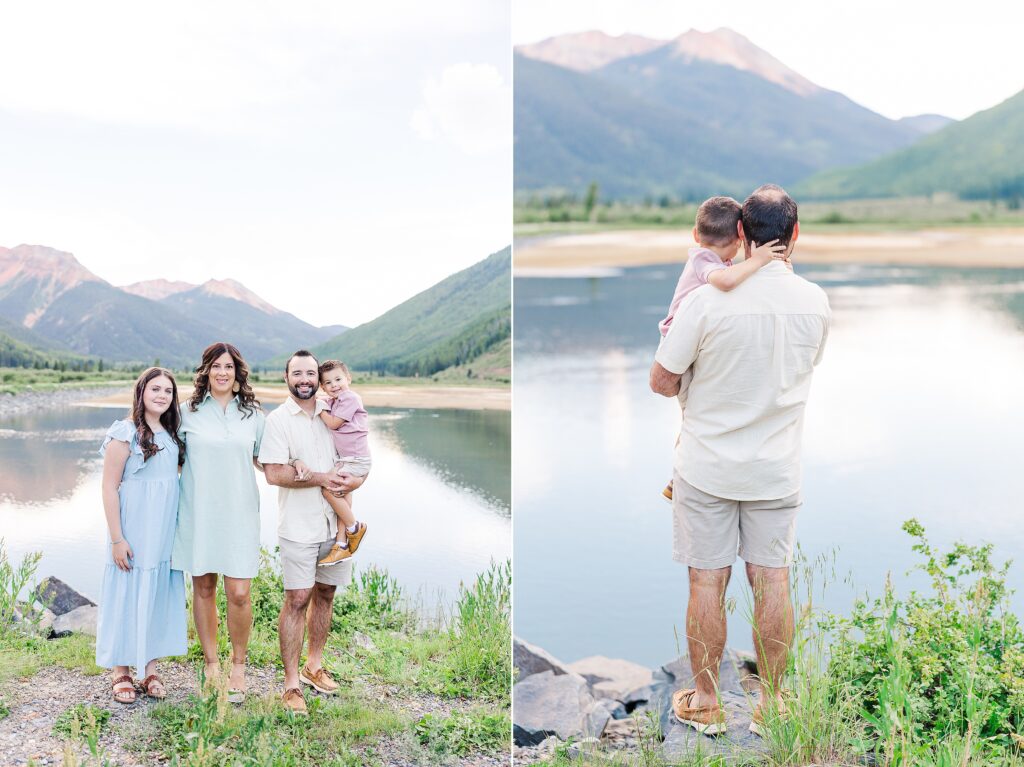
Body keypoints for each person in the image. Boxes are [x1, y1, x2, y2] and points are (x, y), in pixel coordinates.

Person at [650, 184, 831, 737]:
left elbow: (661, 381)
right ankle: (773, 705)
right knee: (772, 581)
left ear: (744, 237)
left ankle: (706, 701)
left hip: (705, 468)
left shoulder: (706, 300)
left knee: (707, 583)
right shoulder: (816, 302)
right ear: (795, 235)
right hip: (776, 468)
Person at [657, 196, 787, 503]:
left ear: (695, 232)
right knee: (693, 418)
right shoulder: (702, 259)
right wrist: (759, 259)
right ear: (741, 235)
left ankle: (679, 477)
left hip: (692, 342)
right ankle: (679, 478)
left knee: (694, 414)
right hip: (677, 344)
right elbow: (727, 283)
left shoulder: (714, 260)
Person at [258, 350, 366, 716]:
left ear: (318, 379)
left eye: (310, 373)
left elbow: (357, 455)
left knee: (326, 593)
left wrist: (357, 477)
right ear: (286, 378)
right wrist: (320, 477)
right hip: (299, 527)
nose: (304, 379)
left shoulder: (331, 413)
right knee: (298, 598)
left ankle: (313, 666)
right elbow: (273, 473)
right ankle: (290, 685)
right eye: (297, 373)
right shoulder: (278, 420)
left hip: (333, 526)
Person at [172, 342, 265, 703]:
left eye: (228, 366)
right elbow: (170, 461)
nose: (222, 372)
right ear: (206, 372)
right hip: (199, 514)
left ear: (237, 373)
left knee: (239, 593)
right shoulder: (186, 413)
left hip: (241, 515)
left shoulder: (254, 416)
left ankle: (238, 667)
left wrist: (306, 468)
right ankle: (211, 665)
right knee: (205, 588)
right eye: (215, 366)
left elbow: (268, 462)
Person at [96, 367, 187, 704]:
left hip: (162, 532)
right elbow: (109, 488)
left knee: (156, 592)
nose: (162, 395)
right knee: (126, 591)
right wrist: (117, 538)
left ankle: (150, 668)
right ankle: (121, 671)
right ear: (142, 392)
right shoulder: (125, 432)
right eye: (155, 389)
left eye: (168, 391)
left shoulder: (172, 434)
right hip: (132, 529)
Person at [291, 360, 371, 566]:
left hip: (355, 457)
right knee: (342, 494)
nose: (334, 385)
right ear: (323, 386)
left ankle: (355, 527)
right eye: (328, 382)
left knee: (329, 490)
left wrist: (320, 409)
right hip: (347, 458)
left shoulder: (351, 398)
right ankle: (341, 545)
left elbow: (334, 423)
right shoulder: (336, 399)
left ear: (348, 379)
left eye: (338, 379)